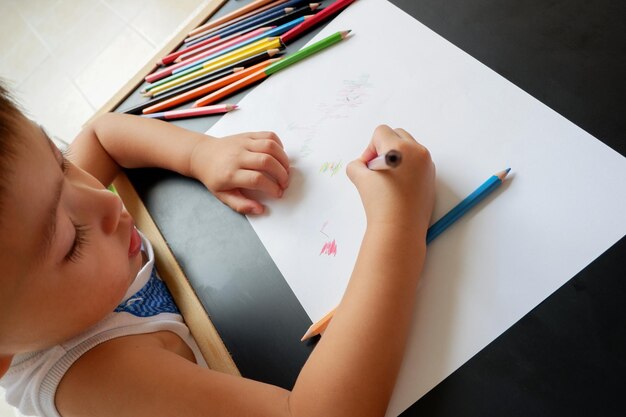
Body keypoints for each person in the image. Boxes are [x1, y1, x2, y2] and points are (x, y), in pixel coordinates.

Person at [0, 82, 435, 417]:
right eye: (70, 240)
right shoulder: (96, 380)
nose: (107, 200)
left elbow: (100, 133)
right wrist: (398, 223)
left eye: (61, 161)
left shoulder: (33, 220)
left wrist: (198, 153)